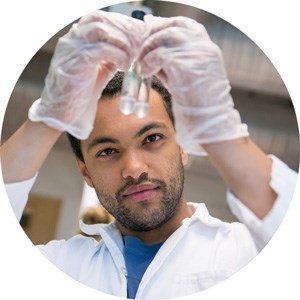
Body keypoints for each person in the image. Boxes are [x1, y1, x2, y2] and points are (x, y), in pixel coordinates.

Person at [0, 9, 297, 300]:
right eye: (107, 151)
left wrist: (219, 127)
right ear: (86, 172)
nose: (133, 167)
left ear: (182, 147)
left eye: (152, 138)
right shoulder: (61, 267)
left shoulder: (246, 252)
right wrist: (46, 119)